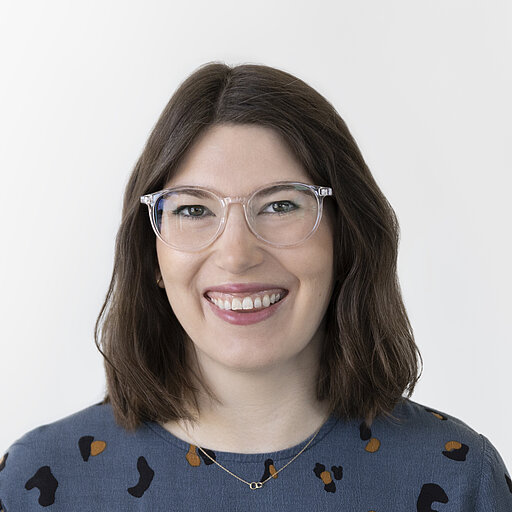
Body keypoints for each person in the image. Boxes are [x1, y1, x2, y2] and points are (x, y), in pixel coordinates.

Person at [0, 62, 510, 511]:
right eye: (193, 209)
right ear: (152, 255)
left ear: (345, 238)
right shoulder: (36, 483)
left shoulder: (460, 478)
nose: (237, 254)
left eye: (281, 205)